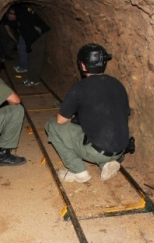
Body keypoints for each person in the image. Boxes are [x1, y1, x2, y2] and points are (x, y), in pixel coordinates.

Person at [45, 43, 130, 182]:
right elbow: (121, 114)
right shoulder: (117, 84)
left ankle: (78, 171)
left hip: (96, 151)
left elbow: (60, 120)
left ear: (83, 66)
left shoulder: (80, 88)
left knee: (52, 125)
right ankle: (107, 163)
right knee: (97, 129)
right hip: (120, 148)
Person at [3, 5, 50, 87]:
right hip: (35, 34)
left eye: (10, 17)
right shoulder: (20, 11)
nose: (11, 20)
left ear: (12, 13)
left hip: (39, 35)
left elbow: (30, 33)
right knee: (32, 56)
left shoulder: (22, 16)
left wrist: (28, 46)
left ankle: (34, 80)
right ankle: (31, 77)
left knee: (36, 57)